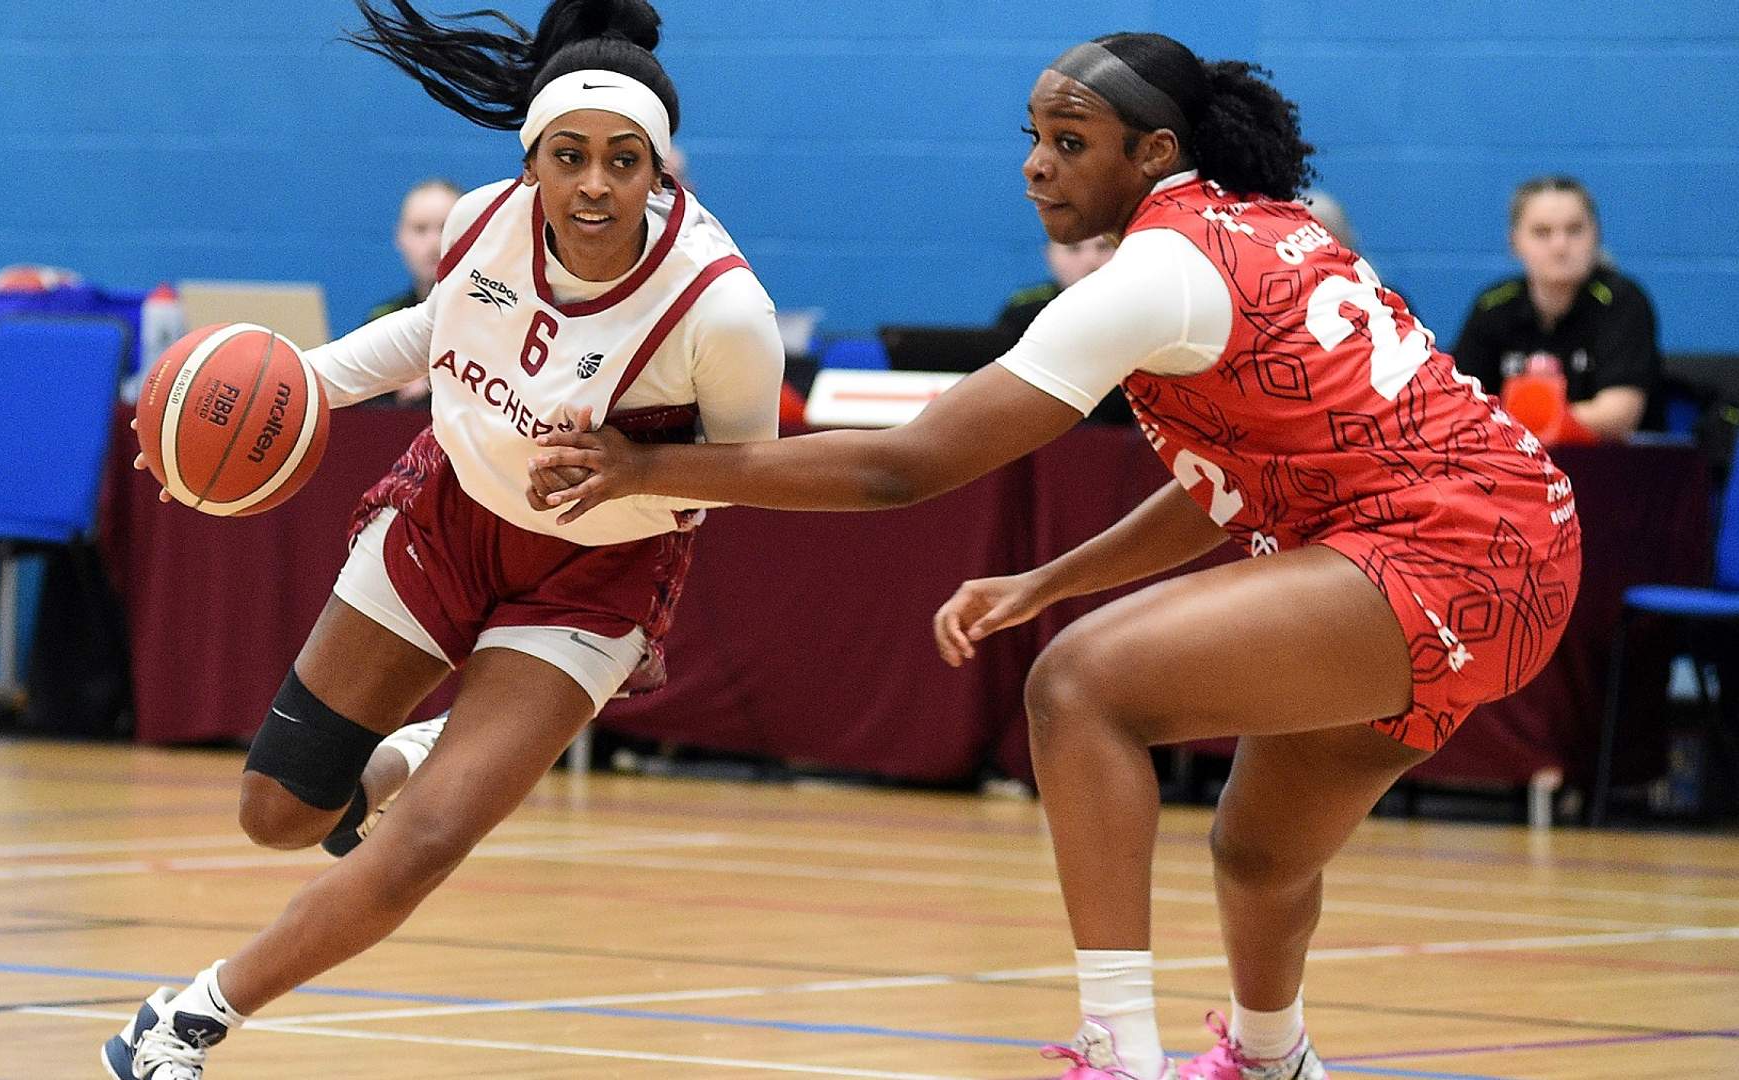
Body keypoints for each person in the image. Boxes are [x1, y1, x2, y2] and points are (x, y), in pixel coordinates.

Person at [531, 31, 1580, 1080]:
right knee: (1257, 854)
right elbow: (1228, 483)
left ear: (1153, 152)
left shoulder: (1158, 271)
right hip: (1503, 543)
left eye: (1070, 140)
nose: (1036, 163)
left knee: (1077, 686)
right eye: (1032, 137)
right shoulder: (1256, 228)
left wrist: (645, 469)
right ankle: (1273, 1062)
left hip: (1450, 550)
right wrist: (1047, 579)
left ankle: (1116, 1054)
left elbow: (904, 467)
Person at [102, 1, 783, 1076]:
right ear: (531, 164)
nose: (595, 183)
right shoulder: (479, 222)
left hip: (595, 568)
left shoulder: (721, 308)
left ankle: (184, 1019)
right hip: (446, 517)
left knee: (429, 842)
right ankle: (419, 750)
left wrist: (631, 468)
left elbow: (747, 477)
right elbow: (434, 331)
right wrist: (264, 398)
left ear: (660, 170)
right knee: (276, 814)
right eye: (569, 158)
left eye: (623, 160)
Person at [1453, 175, 1661, 441]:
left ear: (1596, 234)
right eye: (1542, 232)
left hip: (1610, 467)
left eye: (1574, 230)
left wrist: (1529, 421)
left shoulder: (1621, 301)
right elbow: (1461, 406)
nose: (1560, 245)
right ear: (1514, 241)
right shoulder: (1493, 306)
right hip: (1512, 465)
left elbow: (1619, 414)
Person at [996, 236, 1131, 423]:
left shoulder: (1149, 311)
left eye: (1104, 247)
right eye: (1073, 248)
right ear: (1049, 255)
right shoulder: (1023, 311)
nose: (1090, 260)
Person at [362, 178, 463, 405]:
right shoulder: (382, 321)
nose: (434, 243)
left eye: (445, 228)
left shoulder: (496, 321)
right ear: (400, 237)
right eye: (420, 229)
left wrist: (431, 385)